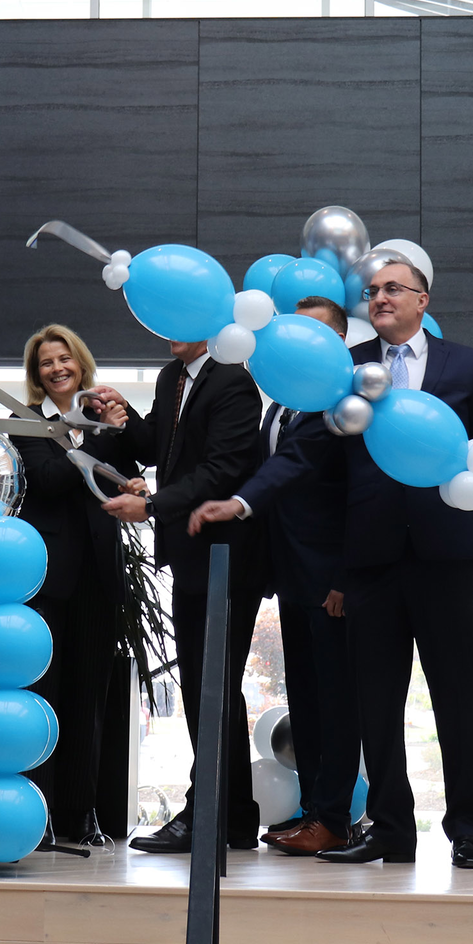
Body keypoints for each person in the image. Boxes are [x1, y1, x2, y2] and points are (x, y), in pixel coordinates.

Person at [191, 259, 473, 868]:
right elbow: (305, 450)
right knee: (376, 709)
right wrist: (246, 500)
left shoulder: (465, 363)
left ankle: (467, 831)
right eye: (372, 290)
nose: (380, 297)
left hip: (444, 555)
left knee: (457, 702)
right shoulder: (349, 367)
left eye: (393, 289)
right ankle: (391, 830)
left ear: (422, 299)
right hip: (370, 560)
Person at [89, 336, 265, 854]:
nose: (167, 329)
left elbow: (222, 469)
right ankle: (233, 818)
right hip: (190, 556)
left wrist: (152, 506)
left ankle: (207, 816)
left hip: (227, 556)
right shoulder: (172, 378)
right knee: (207, 688)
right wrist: (122, 415)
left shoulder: (233, 380)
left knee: (212, 688)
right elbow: (156, 448)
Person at [215, 295, 357, 858]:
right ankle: (314, 811)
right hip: (289, 577)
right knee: (307, 699)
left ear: (339, 343)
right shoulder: (278, 404)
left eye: (315, 332)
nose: (301, 341)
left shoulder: (342, 408)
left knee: (336, 704)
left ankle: (335, 818)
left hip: (331, 582)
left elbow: (357, 499)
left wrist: (344, 576)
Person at [11, 324, 138, 846]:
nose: (57, 368)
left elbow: (126, 474)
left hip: (99, 575)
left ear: (81, 364)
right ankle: (37, 812)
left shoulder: (107, 417)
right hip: (44, 580)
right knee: (42, 698)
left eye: (64, 359)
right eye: (46, 362)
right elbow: (48, 480)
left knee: (90, 698)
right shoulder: (25, 423)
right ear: (36, 374)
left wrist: (132, 479)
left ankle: (80, 813)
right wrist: (90, 433)